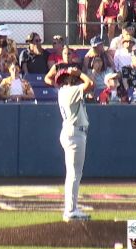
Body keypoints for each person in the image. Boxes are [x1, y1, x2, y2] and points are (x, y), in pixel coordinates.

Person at [55, 67, 94, 222]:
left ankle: (71, 208)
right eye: (69, 77)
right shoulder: (68, 91)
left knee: (73, 173)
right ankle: (70, 210)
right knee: (74, 174)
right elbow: (90, 83)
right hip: (74, 133)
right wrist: (79, 73)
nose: (73, 78)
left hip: (72, 132)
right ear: (65, 81)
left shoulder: (65, 92)